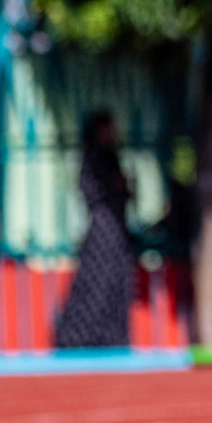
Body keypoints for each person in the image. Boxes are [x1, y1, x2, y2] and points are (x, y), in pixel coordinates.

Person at [55, 110, 134, 348]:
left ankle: (111, 338)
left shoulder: (111, 156)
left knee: (116, 287)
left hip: (117, 232)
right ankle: (81, 339)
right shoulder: (93, 159)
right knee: (96, 288)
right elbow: (95, 191)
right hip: (103, 233)